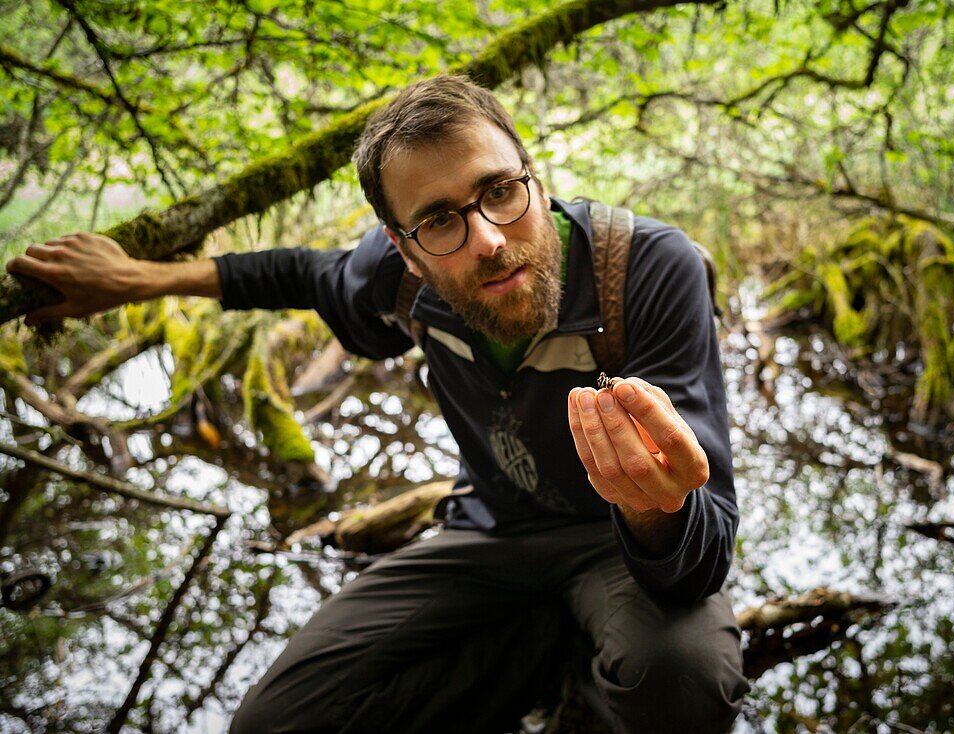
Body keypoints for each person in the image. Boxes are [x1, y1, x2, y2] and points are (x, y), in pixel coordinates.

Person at [6, 75, 750, 733]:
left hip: (616, 549)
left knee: (684, 686)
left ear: (537, 180)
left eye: (500, 191)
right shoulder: (399, 283)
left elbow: (703, 549)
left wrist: (653, 509)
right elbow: (298, 273)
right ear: (403, 246)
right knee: (274, 720)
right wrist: (137, 280)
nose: (488, 240)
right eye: (438, 220)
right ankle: (542, 645)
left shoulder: (646, 271)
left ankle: (571, 650)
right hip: (489, 536)